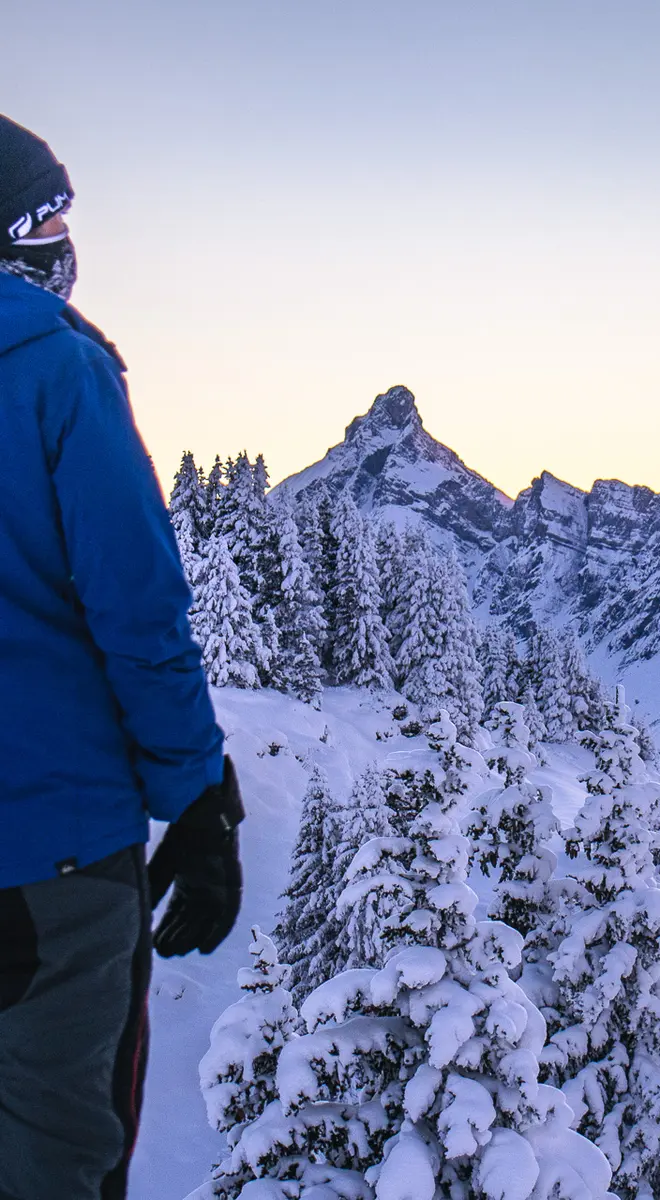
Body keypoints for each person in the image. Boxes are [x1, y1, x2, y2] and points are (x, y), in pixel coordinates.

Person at [0, 114, 245, 1198]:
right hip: (52, 860)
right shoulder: (56, 373)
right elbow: (139, 615)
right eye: (43, 220)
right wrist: (196, 801)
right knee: (60, 1158)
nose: (64, 240)